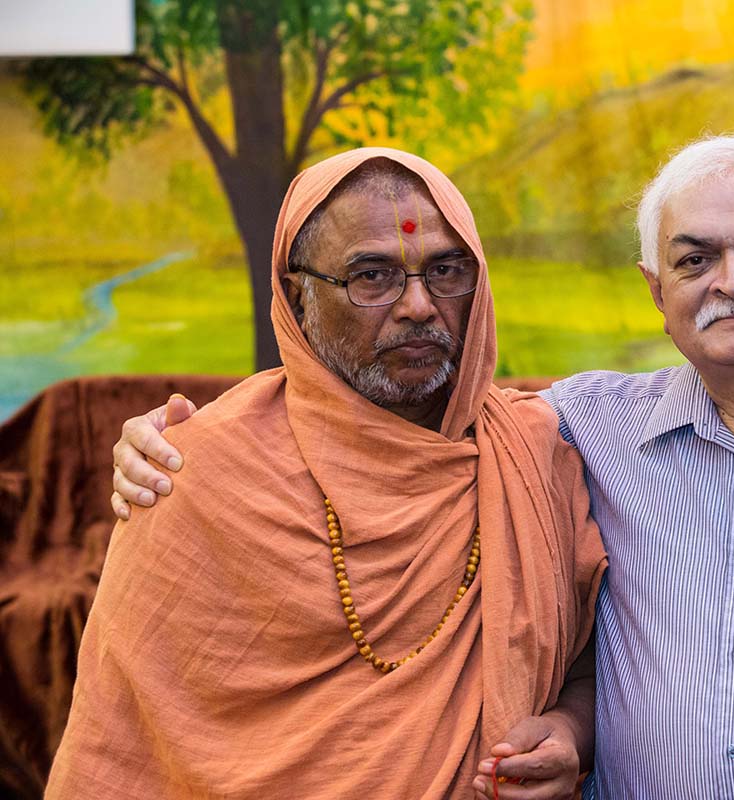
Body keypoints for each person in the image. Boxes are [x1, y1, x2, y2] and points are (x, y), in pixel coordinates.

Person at [111, 136, 734, 798]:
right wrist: (166, 438)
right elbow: (378, 411)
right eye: (696, 259)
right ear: (659, 292)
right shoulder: (576, 431)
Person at [50, 148, 607, 799]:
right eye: (373, 277)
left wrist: (570, 730)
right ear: (297, 296)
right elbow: (121, 755)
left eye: (447, 270)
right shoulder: (190, 476)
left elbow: (597, 665)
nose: (420, 305)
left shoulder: (535, 452)